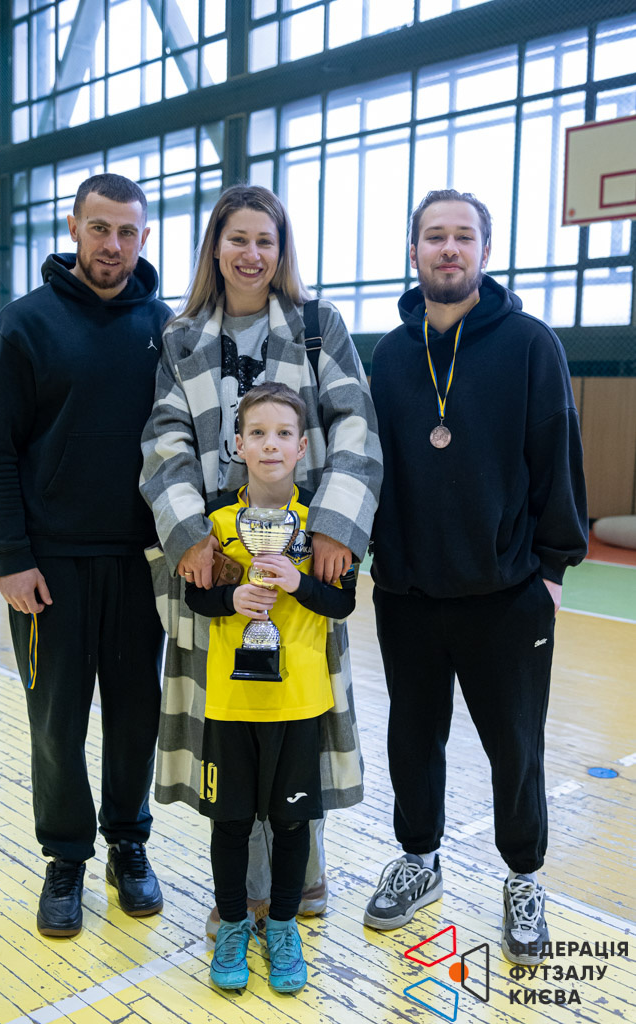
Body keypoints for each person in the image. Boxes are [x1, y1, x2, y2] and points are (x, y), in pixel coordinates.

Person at [140, 184, 382, 935]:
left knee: (302, 709)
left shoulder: (317, 325)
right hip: (220, 555)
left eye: (265, 240)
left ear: (282, 251)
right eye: (237, 238)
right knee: (234, 719)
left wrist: (336, 527)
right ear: (215, 247)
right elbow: (165, 445)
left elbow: (355, 424)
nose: (251, 254)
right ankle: (239, 893)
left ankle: (300, 883)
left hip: (299, 550)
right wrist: (190, 536)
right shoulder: (180, 337)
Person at [365, 189, 588, 966]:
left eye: (463, 236)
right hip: (407, 592)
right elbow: (373, 467)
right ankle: (418, 861)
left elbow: (556, 454)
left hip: (506, 594)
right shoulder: (390, 354)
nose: (448, 248)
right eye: (434, 236)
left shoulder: (528, 343)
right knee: (410, 738)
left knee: (514, 749)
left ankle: (523, 877)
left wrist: (550, 569)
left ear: (484, 253)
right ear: (414, 251)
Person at [0, 173, 169, 937]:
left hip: (139, 562)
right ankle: (65, 855)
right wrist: (11, 556)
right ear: (74, 227)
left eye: (127, 231)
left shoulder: (165, 327)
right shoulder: (24, 325)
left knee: (135, 716)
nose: (113, 245)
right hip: (49, 567)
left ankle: (127, 843)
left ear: (143, 237)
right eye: (99, 228)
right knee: (55, 722)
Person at [185, 381, 357, 991]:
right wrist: (232, 598)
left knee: (291, 824)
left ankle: (282, 925)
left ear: (302, 446)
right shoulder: (215, 523)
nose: (270, 445)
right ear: (237, 444)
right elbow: (196, 596)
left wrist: (297, 583)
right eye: (257, 433)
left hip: (298, 703)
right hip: (231, 703)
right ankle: (234, 924)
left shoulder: (323, 527)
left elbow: (342, 602)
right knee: (231, 823)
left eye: (284, 433)